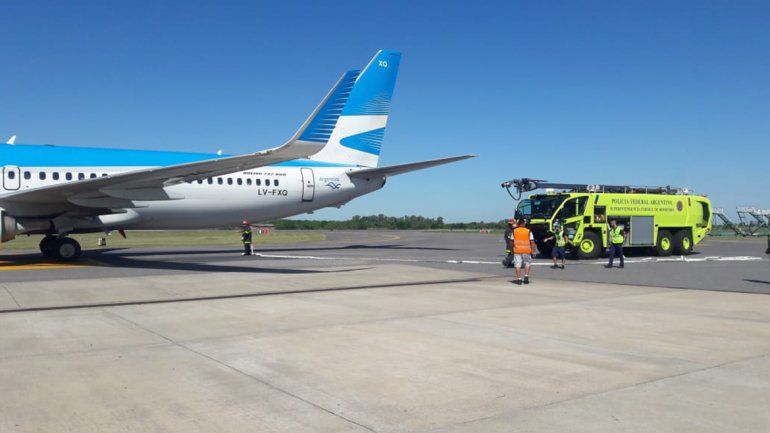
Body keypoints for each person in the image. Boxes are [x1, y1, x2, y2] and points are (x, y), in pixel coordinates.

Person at [512, 218, 537, 284]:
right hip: (526, 250)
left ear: (518, 224)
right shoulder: (528, 231)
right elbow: (532, 242)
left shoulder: (514, 231)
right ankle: (526, 276)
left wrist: (512, 250)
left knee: (517, 265)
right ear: (523, 224)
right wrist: (534, 251)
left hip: (517, 251)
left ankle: (519, 279)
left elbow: (512, 241)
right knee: (527, 264)